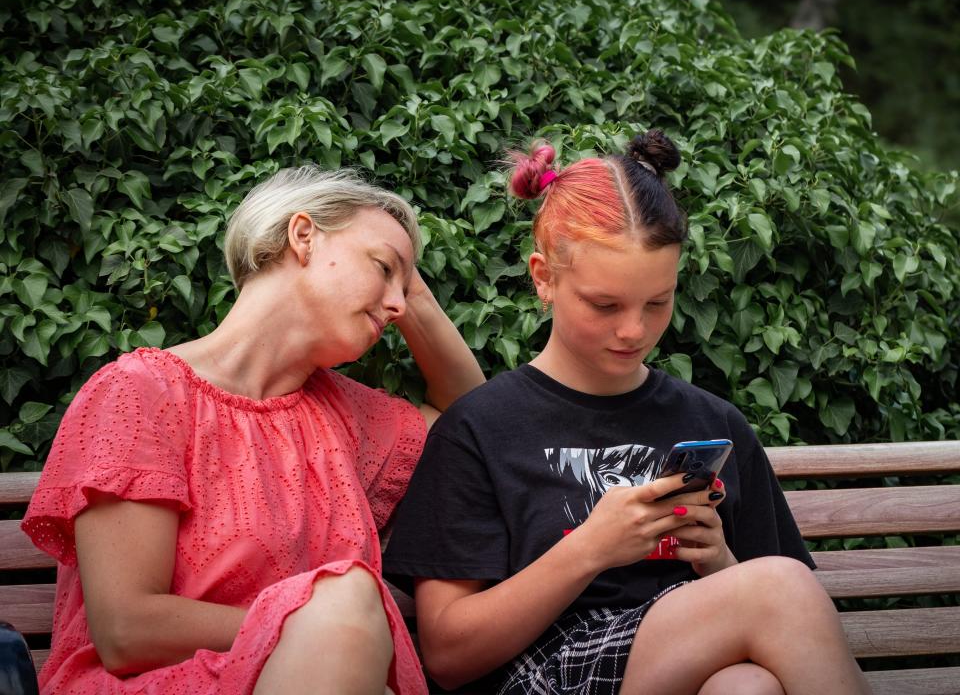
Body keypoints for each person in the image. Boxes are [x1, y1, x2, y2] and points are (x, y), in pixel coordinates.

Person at [382, 132, 872, 695]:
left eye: (657, 302)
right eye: (605, 305)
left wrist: (717, 561)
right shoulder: (478, 428)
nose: (634, 330)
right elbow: (445, 654)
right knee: (778, 590)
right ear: (543, 277)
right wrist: (590, 547)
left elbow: (786, 622)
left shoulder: (715, 424)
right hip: (538, 672)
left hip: (673, 663)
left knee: (745, 687)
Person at [21, 165, 485, 695]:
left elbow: (469, 420)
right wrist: (328, 633)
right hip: (149, 685)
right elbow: (126, 630)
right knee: (348, 596)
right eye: (382, 268)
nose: (398, 303)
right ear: (303, 236)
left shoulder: (345, 417)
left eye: (407, 288)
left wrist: (410, 288)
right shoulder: (141, 393)